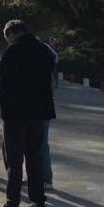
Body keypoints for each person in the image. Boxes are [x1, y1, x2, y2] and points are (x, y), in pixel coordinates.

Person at [0, 19, 56, 207]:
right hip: (38, 113)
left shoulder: (13, 51)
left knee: (13, 158)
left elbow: (1, 80)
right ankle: (39, 202)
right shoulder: (45, 51)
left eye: (7, 38)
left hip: (15, 113)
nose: (8, 42)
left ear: (12, 33)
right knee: (35, 158)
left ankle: (13, 203)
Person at [40, 38, 58, 190]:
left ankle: (46, 178)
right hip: (44, 109)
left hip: (41, 110)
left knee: (40, 144)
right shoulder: (48, 58)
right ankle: (40, 177)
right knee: (37, 144)